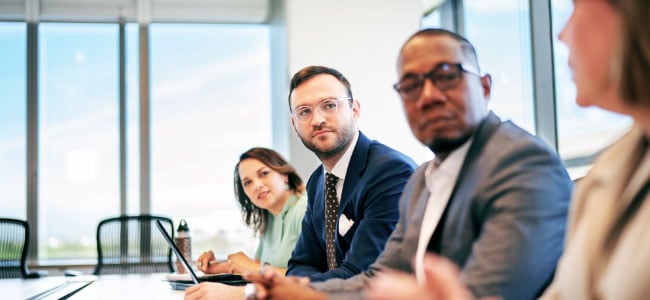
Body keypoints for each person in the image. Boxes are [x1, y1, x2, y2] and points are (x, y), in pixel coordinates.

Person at [244, 28, 573, 300]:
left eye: (446, 76)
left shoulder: (522, 165)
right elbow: (377, 277)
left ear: (485, 87)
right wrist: (298, 292)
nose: (427, 96)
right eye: (411, 86)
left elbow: (487, 293)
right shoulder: (424, 180)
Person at [367, 0, 650, 299]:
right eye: (411, 85)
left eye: (577, 5)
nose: (562, 34)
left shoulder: (522, 163)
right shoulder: (615, 165)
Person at [285, 65, 416, 282]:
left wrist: (274, 292)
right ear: (294, 124)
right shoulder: (318, 181)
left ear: (354, 110)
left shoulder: (390, 172)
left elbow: (363, 274)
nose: (317, 120)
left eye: (329, 105)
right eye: (304, 112)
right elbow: (301, 263)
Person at [185, 147, 308, 299]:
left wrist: (251, 269)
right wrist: (214, 267)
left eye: (263, 174)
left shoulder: (303, 208)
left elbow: (314, 279)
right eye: (248, 182)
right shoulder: (269, 217)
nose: (256, 185)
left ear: (284, 175)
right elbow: (255, 264)